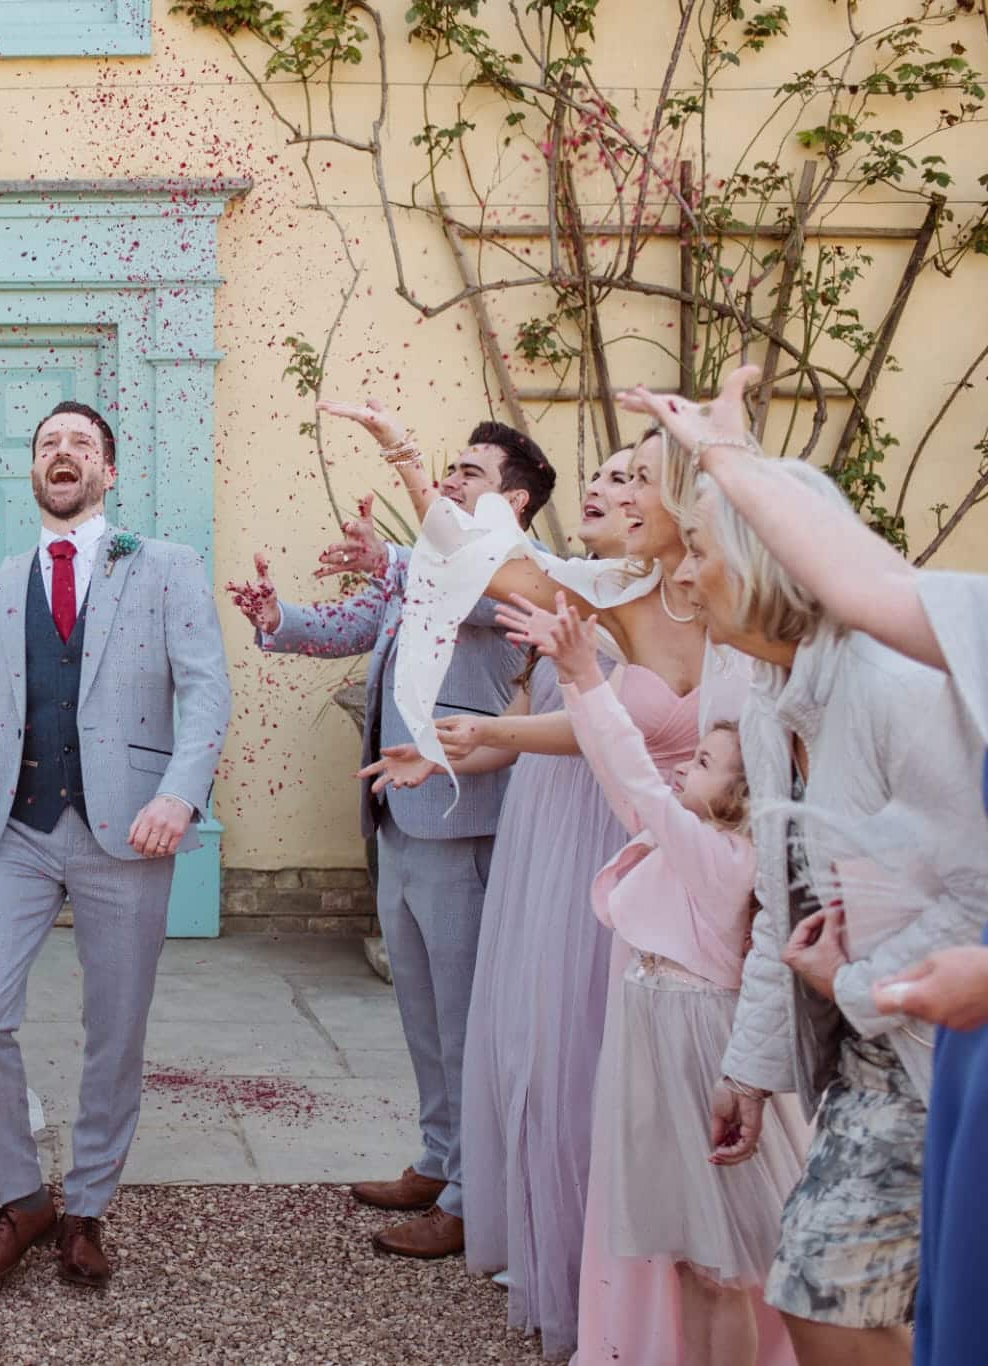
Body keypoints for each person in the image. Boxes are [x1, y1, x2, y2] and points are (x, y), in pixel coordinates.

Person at [621, 365, 988, 1366]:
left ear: (765, 561)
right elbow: (785, 917)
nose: (682, 576)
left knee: (839, 1297)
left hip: (933, 1050)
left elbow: (973, 894)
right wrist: (751, 1064)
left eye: (697, 551)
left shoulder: (890, 686)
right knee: (827, 1296)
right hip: (874, 1055)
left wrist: (861, 985)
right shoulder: (777, 696)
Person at [0, 400, 232, 1288]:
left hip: (127, 832)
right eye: (48, 444)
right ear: (32, 473)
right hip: (14, 829)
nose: (63, 454)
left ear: (109, 470)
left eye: (80, 445)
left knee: (115, 1030)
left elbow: (206, 693)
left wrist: (180, 794)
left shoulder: (167, 567)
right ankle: (24, 1199)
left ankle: (87, 1203)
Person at [228, 414, 553, 1259]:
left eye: (469, 472)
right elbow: (358, 626)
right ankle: (438, 1159)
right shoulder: (431, 570)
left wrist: (395, 559)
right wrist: (279, 616)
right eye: (448, 466)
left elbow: (472, 598)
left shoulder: (527, 578)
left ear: (513, 499)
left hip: (462, 816)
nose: (448, 480)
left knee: (467, 1019)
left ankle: (473, 1196)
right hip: (397, 818)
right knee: (420, 1013)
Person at [380, 450, 637, 1354]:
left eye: (630, 476)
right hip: (537, 812)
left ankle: (606, 1270)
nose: (604, 486)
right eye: (601, 474)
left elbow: (466, 561)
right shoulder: (572, 580)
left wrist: (411, 469)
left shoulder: (637, 601)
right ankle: (540, 1234)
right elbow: (533, 717)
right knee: (526, 1038)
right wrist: (452, 749)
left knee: (580, 1043)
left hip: (602, 827)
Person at [512, 593, 808, 1364]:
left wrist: (586, 674)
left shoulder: (723, 860)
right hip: (650, 1035)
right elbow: (626, 778)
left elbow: (639, 779)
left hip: (695, 1041)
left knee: (720, 1264)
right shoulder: (681, 837)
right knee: (682, 1254)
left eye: (705, 764)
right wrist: (580, 684)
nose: (688, 768)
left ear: (742, 795)